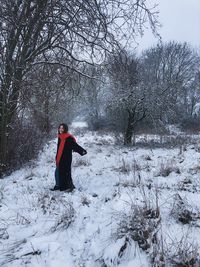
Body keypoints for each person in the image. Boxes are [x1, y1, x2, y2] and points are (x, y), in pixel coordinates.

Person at [51, 123, 87, 192]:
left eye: (62, 128)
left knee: (66, 173)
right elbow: (59, 148)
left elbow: (75, 146)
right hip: (60, 158)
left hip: (66, 159)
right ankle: (58, 185)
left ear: (65, 129)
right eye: (60, 128)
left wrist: (82, 151)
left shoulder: (68, 138)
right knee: (57, 172)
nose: (60, 129)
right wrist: (57, 157)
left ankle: (69, 186)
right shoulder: (60, 137)